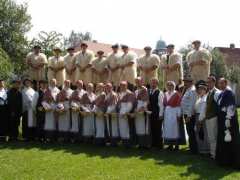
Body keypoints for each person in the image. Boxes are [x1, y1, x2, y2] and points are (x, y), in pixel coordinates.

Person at [215, 78, 240, 169]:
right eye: (219, 83)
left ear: (226, 83)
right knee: (223, 139)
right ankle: (224, 160)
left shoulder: (229, 92)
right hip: (222, 119)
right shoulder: (222, 93)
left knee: (230, 139)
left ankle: (232, 161)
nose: (220, 85)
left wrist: (228, 118)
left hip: (228, 119)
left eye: (221, 83)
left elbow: (231, 107)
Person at [163, 81, 182, 151]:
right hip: (167, 113)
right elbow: (164, 105)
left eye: (171, 85)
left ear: (173, 86)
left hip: (174, 113)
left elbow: (179, 106)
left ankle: (176, 145)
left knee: (175, 129)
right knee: (168, 129)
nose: (169, 86)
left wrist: (178, 115)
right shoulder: (165, 94)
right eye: (168, 85)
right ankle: (170, 145)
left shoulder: (177, 94)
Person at [181, 75, 198, 154]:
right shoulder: (188, 89)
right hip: (186, 114)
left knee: (191, 131)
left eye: (186, 81)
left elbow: (192, 104)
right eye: (184, 81)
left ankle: (194, 149)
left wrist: (189, 116)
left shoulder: (192, 90)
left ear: (190, 82)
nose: (184, 83)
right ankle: (191, 147)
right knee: (189, 131)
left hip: (190, 115)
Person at [205, 76, 221, 159]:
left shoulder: (217, 92)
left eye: (210, 82)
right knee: (210, 137)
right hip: (208, 118)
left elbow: (219, 106)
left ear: (214, 82)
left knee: (214, 136)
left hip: (213, 118)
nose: (208, 84)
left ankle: (214, 155)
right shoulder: (209, 92)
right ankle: (212, 153)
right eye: (207, 82)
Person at [118, 81, 136, 147]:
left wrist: (125, 112)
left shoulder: (130, 94)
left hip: (126, 113)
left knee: (127, 128)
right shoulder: (120, 93)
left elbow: (130, 105)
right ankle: (124, 141)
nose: (122, 87)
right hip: (120, 112)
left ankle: (129, 143)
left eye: (124, 85)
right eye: (121, 85)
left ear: (126, 86)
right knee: (122, 128)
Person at [148, 78, 164, 148]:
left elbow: (161, 105)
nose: (153, 84)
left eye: (154, 83)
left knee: (158, 129)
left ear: (157, 84)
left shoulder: (159, 92)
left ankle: (159, 145)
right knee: (152, 129)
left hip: (157, 113)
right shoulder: (148, 91)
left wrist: (160, 115)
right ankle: (153, 143)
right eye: (152, 83)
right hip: (150, 113)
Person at [134, 77, 151, 148]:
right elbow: (135, 101)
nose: (137, 83)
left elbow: (146, 101)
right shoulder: (135, 91)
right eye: (136, 82)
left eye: (139, 81)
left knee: (144, 127)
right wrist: (135, 109)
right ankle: (140, 144)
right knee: (138, 127)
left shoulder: (144, 89)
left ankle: (146, 144)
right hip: (137, 110)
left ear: (142, 82)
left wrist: (142, 108)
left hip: (143, 110)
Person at [194, 83, 210, 155]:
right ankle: (200, 149)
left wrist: (200, 120)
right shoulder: (200, 98)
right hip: (198, 116)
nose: (199, 91)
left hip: (202, 118)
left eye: (201, 89)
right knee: (199, 133)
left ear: (205, 90)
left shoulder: (204, 98)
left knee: (203, 133)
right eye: (199, 89)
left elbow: (203, 110)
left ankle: (205, 150)